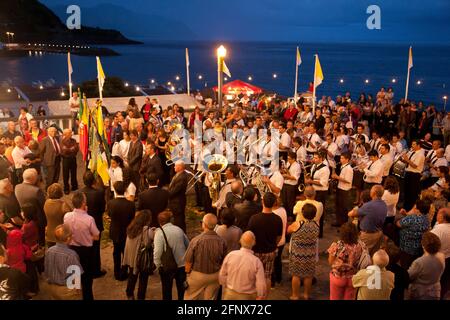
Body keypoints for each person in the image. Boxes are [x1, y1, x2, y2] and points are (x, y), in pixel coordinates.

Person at [64, 192, 100, 300]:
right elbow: (96, 236)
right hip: (86, 252)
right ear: (84, 203)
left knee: (73, 278)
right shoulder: (89, 219)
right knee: (87, 280)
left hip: (71, 250)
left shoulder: (67, 216)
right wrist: (88, 237)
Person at [184, 214, 227, 300]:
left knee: (190, 297)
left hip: (197, 275)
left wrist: (188, 274)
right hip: (215, 275)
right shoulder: (222, 241)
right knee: (211, 298)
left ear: (204, 224)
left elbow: (188, 260)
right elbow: (224, 261)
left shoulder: (196, 240)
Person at [247, 192, 283, 297]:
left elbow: (250, 235)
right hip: (270, 251)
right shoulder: (277, 219)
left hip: (256, 251)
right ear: (274, 204)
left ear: (262, 202)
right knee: (267, 276)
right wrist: (273, 244)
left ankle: (255, 296)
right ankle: (264, 297)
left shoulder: (254, 218)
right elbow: (279, 237)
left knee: (254, 276)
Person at [219, 231, 267, 300]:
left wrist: (227, 286)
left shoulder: (230, 255)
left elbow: (222, 275)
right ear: (254, 243)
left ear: (240, 241)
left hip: (230, 294)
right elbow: (261, 284)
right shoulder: (256, 261)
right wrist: (261, 295)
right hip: (247, 296)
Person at [154, 210, 189, 300]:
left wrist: (157, 265)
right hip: (181, 265)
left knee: (166, 291)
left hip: (167, 267)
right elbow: (188, 245)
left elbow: (157, 252)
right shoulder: (179, 230)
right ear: (171, 220)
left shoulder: (159, 233)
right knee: (182, 291)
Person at [287, 203, 319, 300]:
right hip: (310, 254)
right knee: (308, 275)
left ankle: (295, 295)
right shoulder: (316, 225)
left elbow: (288, 230)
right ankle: (306, 295)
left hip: (297, 254)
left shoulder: (298, 224)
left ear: (303, 213)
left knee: (296, 275)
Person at [43, 224, 83, 300]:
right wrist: (78, 290)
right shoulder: (71, 255)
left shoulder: (49, 251)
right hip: (67, 290)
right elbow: (76, 276)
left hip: (52, 288)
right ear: (68, 239)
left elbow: (46, 269)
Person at [327, 222, 366, 300]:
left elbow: (330, 262)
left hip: (338, 277)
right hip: (353, 277)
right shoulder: (361, 245)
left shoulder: (336, 246)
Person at [79, 171, 106, 278]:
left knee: (84, 246)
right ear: (93, 181)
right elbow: (103, 209)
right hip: (96, 223)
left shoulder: (79, 193)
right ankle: (95, 270)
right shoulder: (99, 193)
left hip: (82, 224)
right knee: (95, 248)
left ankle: (86, 268)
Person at [122, 210, 154, 300]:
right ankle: (141, 297)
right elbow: (147, 244)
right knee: (143, 280)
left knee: (132, 277)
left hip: (131, 258)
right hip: (142, 260)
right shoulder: (147, 231)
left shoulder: (130, 228)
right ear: (147, 220)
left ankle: (129, 293)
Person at [107, 181, 136, 281]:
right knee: (126, 252)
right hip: (126, 231)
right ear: (125, 190)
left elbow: (110, 215)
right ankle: (124, 271)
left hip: (115, 230)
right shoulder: (130, 204)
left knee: (116, 252)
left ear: (115, 190)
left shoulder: (111, 203)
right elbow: (133, 217)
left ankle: (117, 272)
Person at [348, 185, 387, 255]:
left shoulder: (369, 206)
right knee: (372, 255)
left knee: (360, 255)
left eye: (371, 190)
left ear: (374, 193)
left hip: (368, 235)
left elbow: (351, 214)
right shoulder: (384, 204)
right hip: (378, 233)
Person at [408, 232, 445, 300]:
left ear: (423, 245)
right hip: (435, 290)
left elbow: (410, 276)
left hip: (421, 292)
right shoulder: (441, 257)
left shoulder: (419, 262)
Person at [14, 169, 46, 245]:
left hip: (25, 216)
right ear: (34, 179)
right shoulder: (36, 191)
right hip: (38, 218)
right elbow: (44, 205)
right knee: (40, 236)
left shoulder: (17, 187)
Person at [396, 199, 430, 268]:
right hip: (418, 248)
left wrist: (407, 215)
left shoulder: (411, 218)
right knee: (413, 265)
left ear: (418, 210)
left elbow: (398, 224)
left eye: (415, 207)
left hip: (406, 248)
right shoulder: (427, 218)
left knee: (405, 266)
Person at [304, 152, 329, 237]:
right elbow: (313, 177)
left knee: (319, 212)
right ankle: (311, 230)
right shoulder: (314, 166)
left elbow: (323, 183)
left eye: (316, 158)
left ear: (321, 159)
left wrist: (310, 181)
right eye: (314, 158)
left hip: (320, 192)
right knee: (311, 212)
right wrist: (308, 177)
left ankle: (319, 232)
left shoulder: (325, 169)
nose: (314, 159)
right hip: (313, 191)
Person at [430, 208, 450, 299]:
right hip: (448, 258)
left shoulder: (438, 230)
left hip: (437, 259)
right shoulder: (442, 226)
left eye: (438, 213)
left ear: (442, 217)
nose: (436, 215)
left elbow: (428, 244)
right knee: (444, 280)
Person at [402, 140, 426, 211]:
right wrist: (403, 159)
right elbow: (408, 162)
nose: (412, 146)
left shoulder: (420, 155)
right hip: (408, 173)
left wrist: (406, 159)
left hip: (414, 175)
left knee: (412, 193)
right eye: (412, 144)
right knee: (406, 191)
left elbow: (415, 165)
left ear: (418, 146)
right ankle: (405, 207)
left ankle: (410, 208)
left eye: (414, 144)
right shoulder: (412, 152)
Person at [332, 152, 353, 226]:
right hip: (340, 187)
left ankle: (343, 222)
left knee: (343, 207)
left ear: (347, 159)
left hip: (344, 190)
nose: (341, 160)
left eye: (342, 158)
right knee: (338, 205)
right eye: (340, 158)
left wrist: (336, 177)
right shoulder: (343, 166)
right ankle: (339, 221)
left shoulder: (349, 169)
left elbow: (348, 181)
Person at [168, 160, 189, 232]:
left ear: (180, 167)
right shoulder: (179, 174)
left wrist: (166, 194)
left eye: (175, 166)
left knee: (179, 221)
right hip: (176, 202)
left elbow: (175, 190)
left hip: (178, 202)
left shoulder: (182, 177)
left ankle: (180, 234)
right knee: (178, 219)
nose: (174, 167)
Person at [271, 197, 287, 286]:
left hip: (275, 241)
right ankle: (279, 278)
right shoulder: (283, 210)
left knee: (272, 261)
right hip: (282, 240)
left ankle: (272, 281)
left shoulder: (274, 213)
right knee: (278, 260)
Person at [281, 151, 301, 218]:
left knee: (290, 202)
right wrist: (284, 171)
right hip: (285, 184)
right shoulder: (288, 163)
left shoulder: (297, 166)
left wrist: (286, 176)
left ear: (294, 159)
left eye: (289, 159)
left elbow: (295, 178)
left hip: (291, 186)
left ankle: (291, 216)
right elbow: (288, 173)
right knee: (284, 201)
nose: (288, 160)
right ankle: (286, 215)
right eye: (288, 158)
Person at [60, 129, 79, 194]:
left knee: (74, 173)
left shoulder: (74, 140)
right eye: (69, 133)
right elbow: (63, 151)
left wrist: (68, 149)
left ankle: (74, 186)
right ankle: (66, 188)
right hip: (65, 160)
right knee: (66, 174)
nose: (71, 134)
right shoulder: (62, 141)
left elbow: (76, 149)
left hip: (73, 159)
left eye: (71, 133)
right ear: (65, 134)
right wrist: (71, 149)